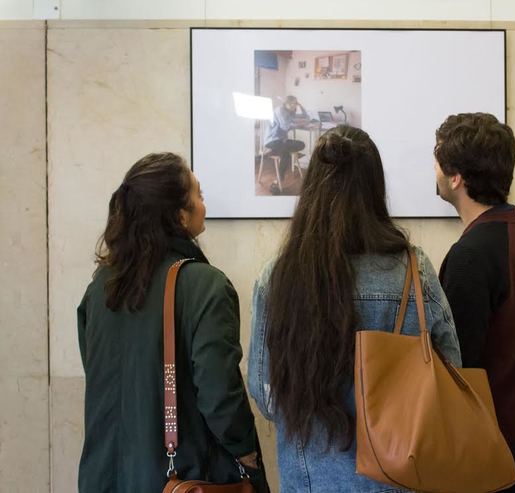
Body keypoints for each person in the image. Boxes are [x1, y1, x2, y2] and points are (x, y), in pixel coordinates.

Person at [248, 125, 461, 492]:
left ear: (312, 189)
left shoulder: (279, 278)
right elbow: (451, 369)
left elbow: (266, 393)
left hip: (310, 479)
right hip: (400, 477)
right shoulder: (413, 270)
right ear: (375, 189)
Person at [77, 152, 268, 492]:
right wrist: (248, 454)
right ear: (180, 216)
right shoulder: (206, 285)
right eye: (200, 195)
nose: (204, 205)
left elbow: (100, 376)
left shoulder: (100, 288)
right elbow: (220, 395)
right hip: (180, 479)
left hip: (102, 477)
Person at [434, 113, 515, 493]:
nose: (435, 171)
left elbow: (457, 368)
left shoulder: (471, 254)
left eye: (437, 160)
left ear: (456, 177)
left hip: (498, 454)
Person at [264, 95, 308, 194]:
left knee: (301, 144)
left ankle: (277, 181)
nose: (294, 105)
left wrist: (301, 106)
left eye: (296, 103)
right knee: (286, 154)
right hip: (272, 140)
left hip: (282, 141)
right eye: (293, 103)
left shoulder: (291, 111)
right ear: (287, 103)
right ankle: (277, 181)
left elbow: (305, 116)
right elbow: (285, 126)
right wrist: (298, 124)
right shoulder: (280, 110)